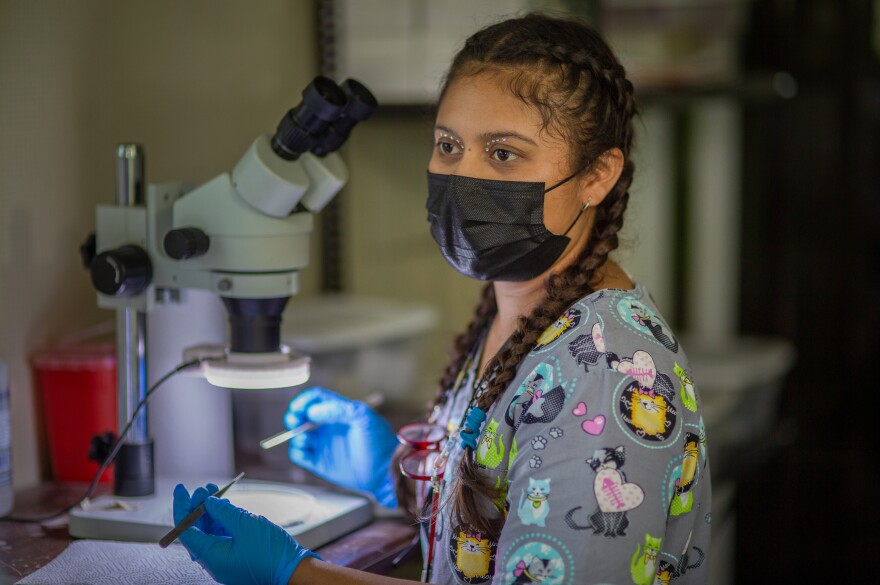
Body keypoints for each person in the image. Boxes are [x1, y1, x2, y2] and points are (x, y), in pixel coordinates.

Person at [172, 12, 711, 585]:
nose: (462, 176)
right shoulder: (520, 314)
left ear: (596, 176)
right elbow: (509, 498)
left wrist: (296, 575)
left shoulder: (608, 373)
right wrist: (398, 473)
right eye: (449, 145)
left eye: (504, 153)